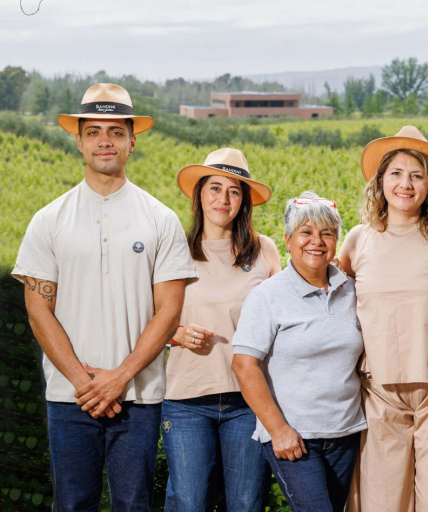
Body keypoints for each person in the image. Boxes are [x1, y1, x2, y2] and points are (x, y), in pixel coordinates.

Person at [11, 83, 196, 511]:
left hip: (140, 397)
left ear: (133, 140)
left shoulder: (160, 219)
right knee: (73, 504)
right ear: (78, 141)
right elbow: (39, 311)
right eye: (93, 131)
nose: (104, 141)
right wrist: (83, 380)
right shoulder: (49, 220)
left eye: (115, 131)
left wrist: (118, 379)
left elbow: (168, 313)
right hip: (69, 396)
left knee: (133, 504)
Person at [338, 126, 428, 512]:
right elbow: (328, 303)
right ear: (380, 181)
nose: (406, 184)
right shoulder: (357, 240)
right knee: (381, 503)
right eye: (396, 173)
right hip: (378, 393)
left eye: (417, 175)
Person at [162, 148, 281, 511]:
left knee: (246, 502)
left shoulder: (264, 251)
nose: (223, 199)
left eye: (234, 190)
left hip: (249, 400)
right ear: (199, 195)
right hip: (186, 400)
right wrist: (175, 334)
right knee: (188, 501)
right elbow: (144, 316)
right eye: (214, 188)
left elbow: (287, 314)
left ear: (244, 201)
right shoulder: (173, 250)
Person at [232, 192, 366, 512]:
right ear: (288, 239)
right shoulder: (267, 296)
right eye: (306, 232)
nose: (316, 241)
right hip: (295, 439)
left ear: (336, 240)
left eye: (327, 233)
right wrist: (278, 430)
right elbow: (244, 366)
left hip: (345, 432)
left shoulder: (352, 290)